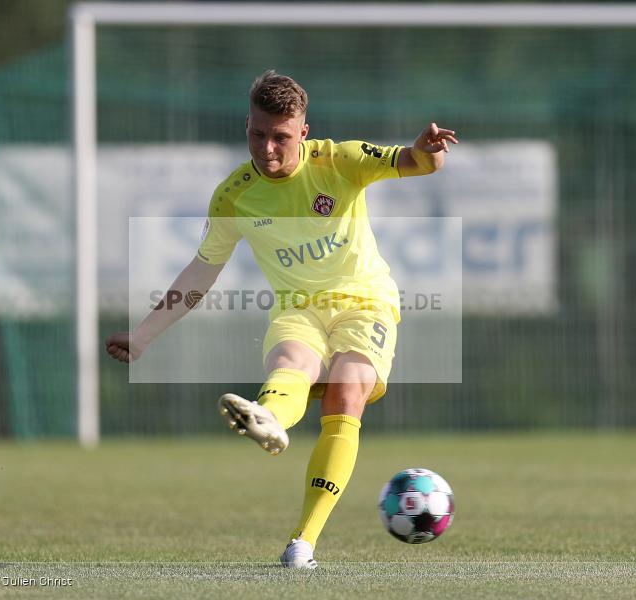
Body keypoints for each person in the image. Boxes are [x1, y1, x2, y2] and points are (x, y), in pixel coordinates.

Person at [105, 70, 457, 569]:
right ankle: (268, 418)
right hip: (298, 307)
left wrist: (430, 150)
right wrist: (141, 337)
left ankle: (302, 543)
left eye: (281, 137)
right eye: (257, 134)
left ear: (304, 132)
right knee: (292, 363)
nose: (267, 148)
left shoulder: (340, 160)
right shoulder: (234, 195)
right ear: (246, 124)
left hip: (365, 302)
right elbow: (201, 271)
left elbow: (417, 161)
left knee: (346, 391)